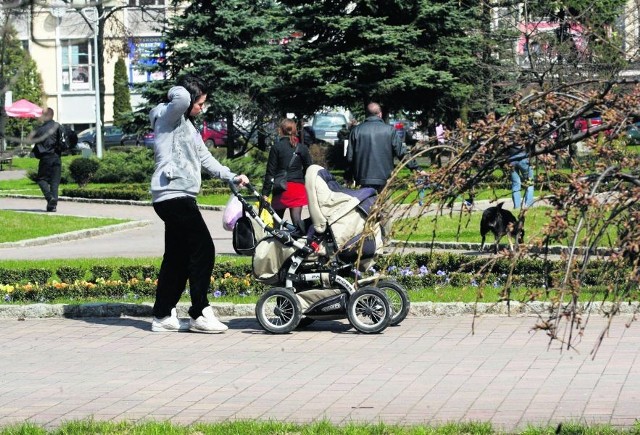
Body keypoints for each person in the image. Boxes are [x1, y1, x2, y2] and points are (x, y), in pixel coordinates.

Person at [149, 75, 249, 334]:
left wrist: (231, 176)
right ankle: (199, 312)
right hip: (172, 194)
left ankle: (162, 315)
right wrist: (183, 89)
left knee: (176, 257)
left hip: (179, 196)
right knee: (203, 249)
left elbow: (205, 158)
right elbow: (181, 97)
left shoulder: (189, 127)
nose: (202, 108)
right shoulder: (167, 116)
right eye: (200, 103)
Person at [347, 102, 424, 193]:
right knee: (382, 205)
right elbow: (401, 153)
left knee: (365, 205)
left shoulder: (356, 131)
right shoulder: (390, 130)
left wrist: (348, 176)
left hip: (362, 178)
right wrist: (416, 168)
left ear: (366, 115)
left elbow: (350, 157)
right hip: (384, 178)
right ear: (380, 114)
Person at [262, 118, 312, 229]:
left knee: (276, 223)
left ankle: (277, 244)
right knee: (297, 221)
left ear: (281, 130)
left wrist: (265, 193)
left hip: (281, 189)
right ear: (295, 130)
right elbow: (309, 168)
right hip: (297, 188)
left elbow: (270, 173)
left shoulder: (276, 148)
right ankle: (300, 243)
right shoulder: (302, 148)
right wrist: (302, 179)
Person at [30, 107, 65, 212]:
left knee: (41, 179)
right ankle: (52, 206)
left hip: (46, 157)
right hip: (57, 157)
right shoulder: (59, 127)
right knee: (55, 182)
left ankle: (50, 198)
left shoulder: (40, 130)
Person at [508, 143, 534, 208]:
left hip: (511, 160)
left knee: (516, 184)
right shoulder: (523, 134)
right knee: (529, 183)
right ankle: (528, 205)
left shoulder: (506, 134)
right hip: (523, 158)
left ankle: (517, 207)